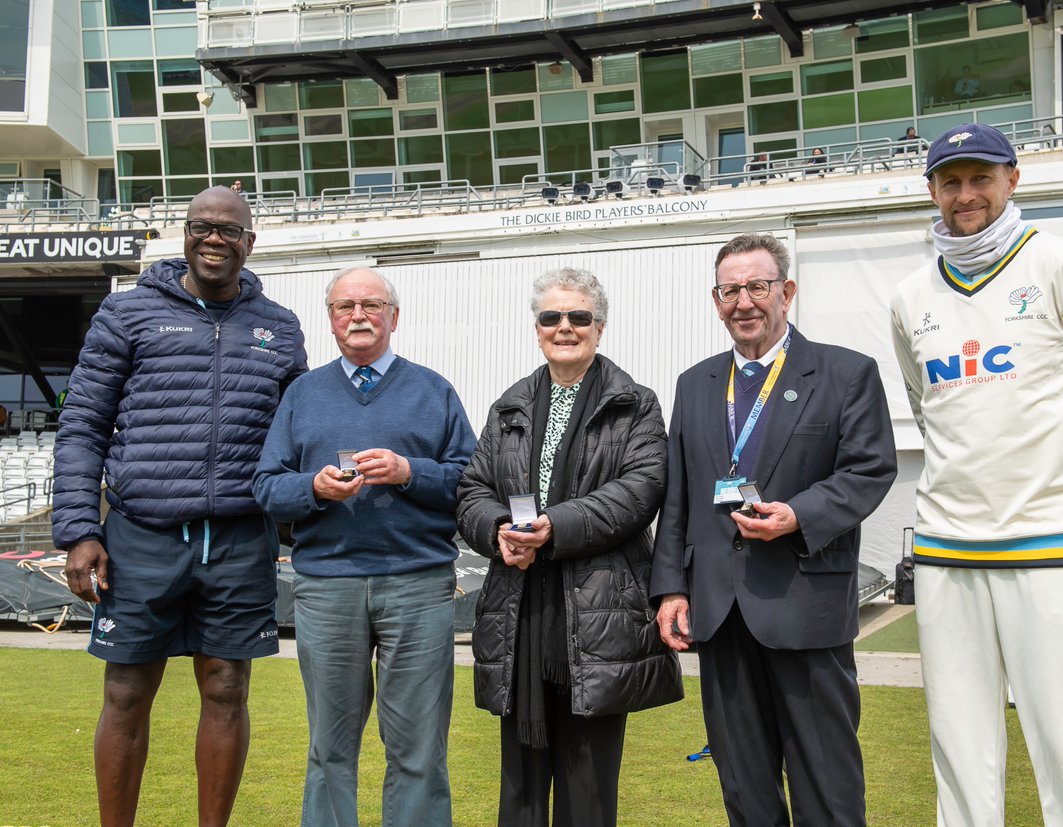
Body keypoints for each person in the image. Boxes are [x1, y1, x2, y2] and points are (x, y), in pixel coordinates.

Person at [890, 123, 1063, 827]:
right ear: (932, 191)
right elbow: (928, 406)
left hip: (1052, 546)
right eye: (951, 181)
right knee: (961, 753)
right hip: (948, 552)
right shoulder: (910, 295)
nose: (966, 194)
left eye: (981, 178)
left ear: (1013, 178)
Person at [52, 185, 307, 827]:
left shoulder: (279, 327)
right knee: (126, 692)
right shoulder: (127, 314)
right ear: (185, 236)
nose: (214, 238)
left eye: (229, 230)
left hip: (239, 538)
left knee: (226, 688)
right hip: (142, 532)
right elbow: (82, 424)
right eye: (201, 227)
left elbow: (298, 433)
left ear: (250, 243)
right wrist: (80, 528)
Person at [651, 233, 897, 826]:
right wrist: (671, 589)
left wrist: (799, 515)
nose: (744, 303)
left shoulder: (846, 373)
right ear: (716, 301)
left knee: (826, 782)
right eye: (730, 290)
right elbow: (677, 495)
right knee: (744, 783)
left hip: (804, 607)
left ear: (786, 292)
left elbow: (870, 470)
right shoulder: (695, 383)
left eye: (757, 287)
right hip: (720, 612)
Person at [457, 267, 683, 827]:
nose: (565, 327)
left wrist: (552, 527)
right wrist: (497, 534)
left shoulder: (636, 404)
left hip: (597, 622)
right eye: (551, 317)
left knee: (587, 794)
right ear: (537, 329)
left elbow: (639, 491)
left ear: (599, 327)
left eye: (578, 316)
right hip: (521, 615)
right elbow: (472, 491)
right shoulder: (509, 406)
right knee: (520, 795)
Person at [253, 266, 474, 827]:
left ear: (393, 317)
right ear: (330, 320)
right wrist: (314, 488)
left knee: (419, 751)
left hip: (418, 584)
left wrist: (408, 471)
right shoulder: (302, 394)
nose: (359, 315)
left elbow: (471, 481)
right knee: (330, 750)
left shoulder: (433, 390)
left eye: (372, 305)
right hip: (328, 585)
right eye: (346, 306)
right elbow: (266, 485)